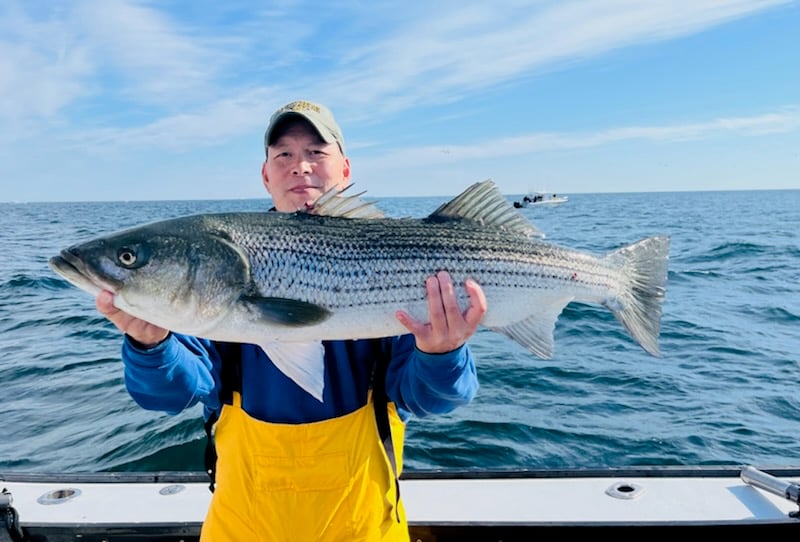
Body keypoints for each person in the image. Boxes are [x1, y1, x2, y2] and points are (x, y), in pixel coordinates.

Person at [95, 99, 487, 541]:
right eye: (283, 155)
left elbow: (434, 401)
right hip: (243, 528)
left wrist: (442, 354)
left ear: (345, 168)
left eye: (316, 152)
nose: (300, 166)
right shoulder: (214, 280)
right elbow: (171, 396)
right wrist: (152, 347)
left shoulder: (393, 259)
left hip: (362, 527)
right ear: (266, 175)